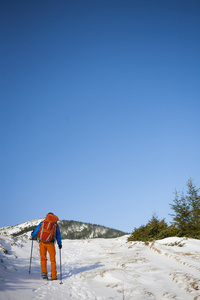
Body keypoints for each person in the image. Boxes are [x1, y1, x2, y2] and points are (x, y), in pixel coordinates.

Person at [31, 212, 62, 280]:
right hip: (50, 243)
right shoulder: (55, 225)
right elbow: (58, 235)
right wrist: (59, 244)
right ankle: (54, 276)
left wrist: (32, 234)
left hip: (42, 243)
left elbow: (36, 232)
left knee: (43, 258)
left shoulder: (42, 223)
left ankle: (44, 273)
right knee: (52, 260)